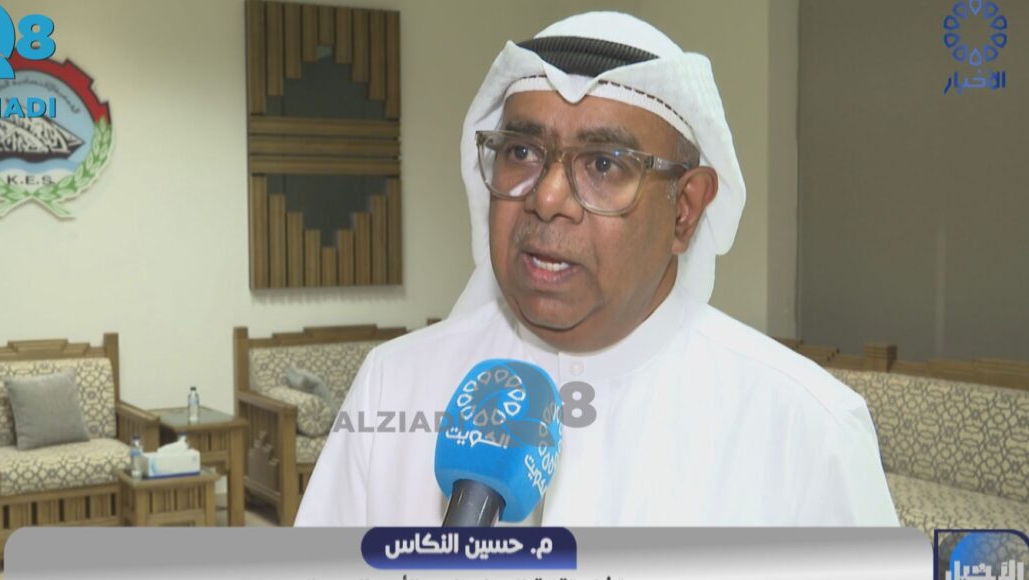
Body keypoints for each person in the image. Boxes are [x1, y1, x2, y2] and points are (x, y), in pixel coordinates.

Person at [295, 11, 899, 526]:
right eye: (521, 151)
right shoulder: (394, 384)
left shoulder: (808, 432)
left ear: (685, 210)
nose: (547, 197)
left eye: (604, 164)